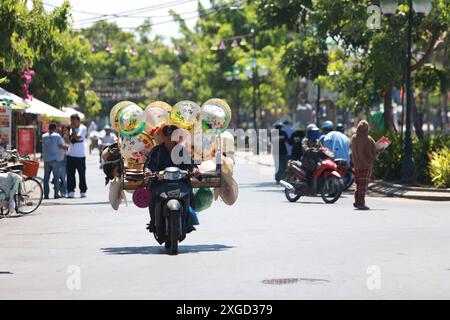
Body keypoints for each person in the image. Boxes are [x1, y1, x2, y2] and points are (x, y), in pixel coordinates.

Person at [144, 124, 201, 233]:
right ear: (163, 137)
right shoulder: (157, 150)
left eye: (172, 135)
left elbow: (191, 164)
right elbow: (149, 164)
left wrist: (194, 170)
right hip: (160, 182)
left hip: (181, 181)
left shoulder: (182, 150)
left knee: (191, 196)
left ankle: (189, 221)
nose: (170, 137)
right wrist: (148, 171)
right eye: (167, 135)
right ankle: (153, 222)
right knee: (152, 197)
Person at [350, 120, 381, 210]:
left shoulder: (354, 138)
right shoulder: (369, 139)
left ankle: (357, 201)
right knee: (363, 186)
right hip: (366, 166)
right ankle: (361, 203)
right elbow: (374, 152)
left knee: (358, 184)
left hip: (356, 166)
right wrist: (380, 150)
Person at [42, 123, 67, 199]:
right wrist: (66, 147)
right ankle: (56, 194)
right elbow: (60, 145)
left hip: (46, 159)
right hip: (55, 160)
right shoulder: (57, 136)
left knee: (46, 178)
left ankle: (46, 195)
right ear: (55, 129)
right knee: (56, 178)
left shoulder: (44, 136)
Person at [67, 114, 88, 198]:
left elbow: (78, 138)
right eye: (71, 120)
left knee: (81, 174)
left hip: (80, 156)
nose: (72, 122)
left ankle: (83, 190)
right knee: (70, 174)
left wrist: (71, 129)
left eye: (74, 121)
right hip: (70, 155)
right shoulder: (70, 128)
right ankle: (70, 190)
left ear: (78, 120)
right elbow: (66, 138)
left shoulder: (83, 128)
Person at [57, 126, 70, 198]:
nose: (64, 132)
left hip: (70, 158)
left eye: (66, 130)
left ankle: (68, 191)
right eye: (63, 130)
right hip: (62, 158)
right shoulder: (60, 139)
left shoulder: (71, 139)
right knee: (62, 177)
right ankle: (63, 192)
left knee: (69, 176)